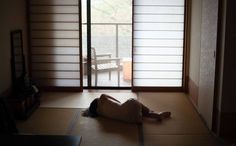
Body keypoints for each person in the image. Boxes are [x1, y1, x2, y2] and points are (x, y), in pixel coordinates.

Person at [82, 94, 171, 123]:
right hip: (131, 106)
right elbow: (113, 98)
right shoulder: (102, 98)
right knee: (145, 110)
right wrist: (120, 103)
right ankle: (156, 114)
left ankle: (152, 115)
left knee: (140, 113)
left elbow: (88, 112)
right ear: (97, 101)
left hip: (132, 120)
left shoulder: (100, 113)